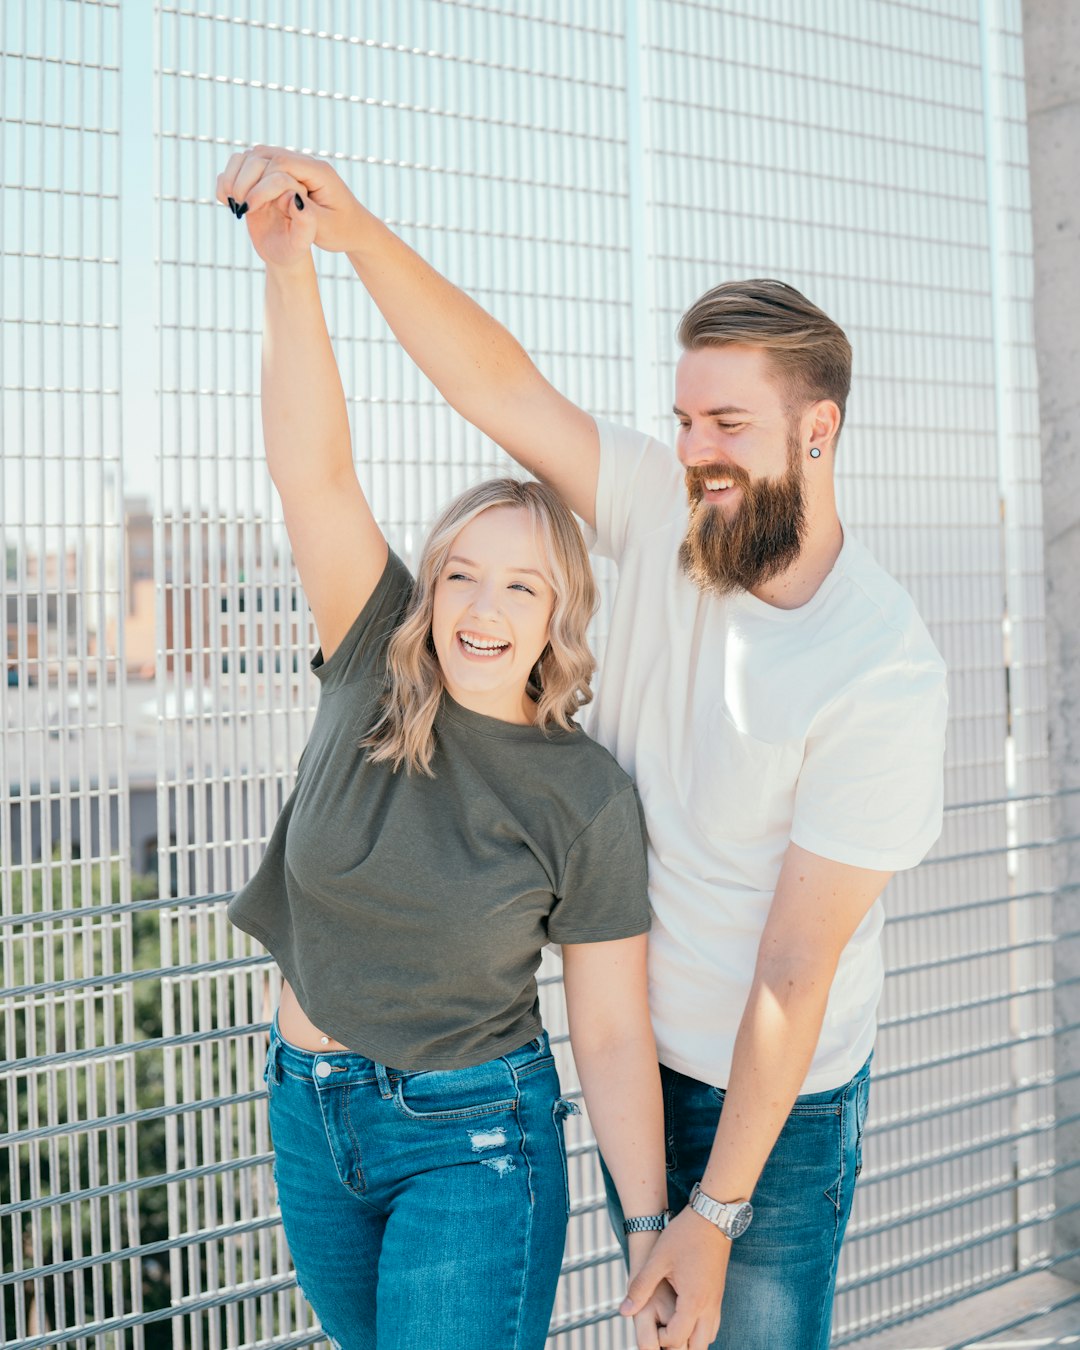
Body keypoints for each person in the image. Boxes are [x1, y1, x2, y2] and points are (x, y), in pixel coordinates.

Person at [220, 146, 948, 1350]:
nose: (695, 448)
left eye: (728, 422)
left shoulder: (880, 669)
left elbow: (789, 978)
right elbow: (501, 392)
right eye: (682, 418)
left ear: (819, 431)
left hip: (774, 1096)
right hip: (631, 1064)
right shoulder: (671, 510)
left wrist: (712, 1212)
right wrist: (344, 240)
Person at [217, 158, 681, 1350]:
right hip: (309, 1116)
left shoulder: (583, 795)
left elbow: (613, 1031)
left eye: (520, 584)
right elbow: (311, 468)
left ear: (556, 617)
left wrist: (648, 1229)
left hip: (472, 1144)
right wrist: (288, 273)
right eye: (461, 572)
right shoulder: (374, 650)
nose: (481, 605)